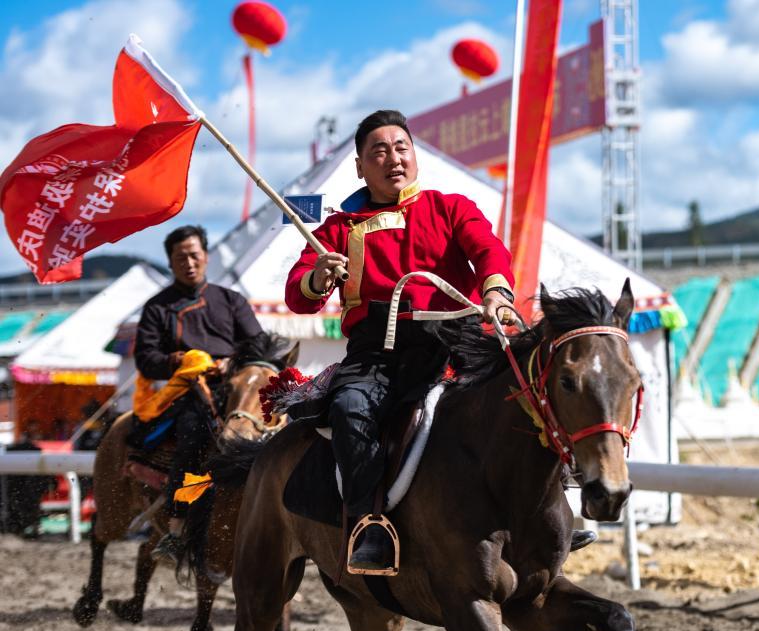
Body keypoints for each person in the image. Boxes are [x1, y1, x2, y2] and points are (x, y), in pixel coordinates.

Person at [285, 109, 594, 571]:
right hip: (379, 353)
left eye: (401, 147)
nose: (393, 158)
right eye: (379, 151)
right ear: (360, 167)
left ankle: (552, 512)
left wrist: (495, 292)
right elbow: (298, 295)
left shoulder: (450, 207)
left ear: (414, 155)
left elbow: (488, 250)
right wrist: (317, 277)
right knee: (350, 408)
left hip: (458, 342)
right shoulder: (336, 230)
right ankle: (369, 523)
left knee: (528, 391)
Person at [135, 225, 264, 563]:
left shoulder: (231, 300)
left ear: (206, 256)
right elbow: (146, 360)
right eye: (181, 258)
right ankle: (177, 525)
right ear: (170, 262)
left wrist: (231, 362)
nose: (189, 263)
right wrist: (182, 361)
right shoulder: (157, 308)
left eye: (194, 255)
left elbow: (257, 344)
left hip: (238, 389)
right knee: (194, 436)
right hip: (188, 394)